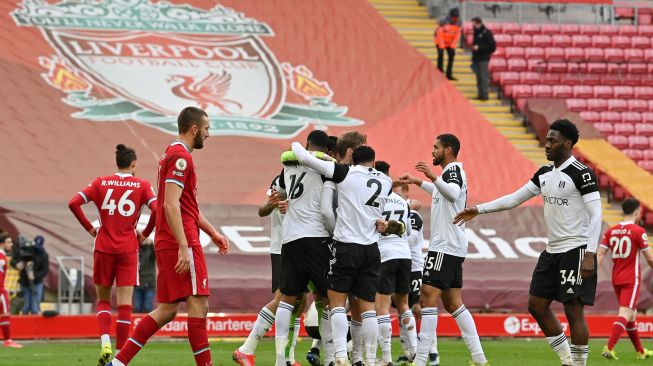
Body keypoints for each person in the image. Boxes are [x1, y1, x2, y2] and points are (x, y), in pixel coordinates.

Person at [454, 119, 602, 366]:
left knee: (573, 310)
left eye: (553, 140)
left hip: (575, 249)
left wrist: (590, 253)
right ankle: (567, 359)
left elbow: (596, 213)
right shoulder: (544, 173)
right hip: (552, 250)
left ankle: (578, 364)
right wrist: (479, 209)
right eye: (547, 139)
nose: (547, 144)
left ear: (568, 143)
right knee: (536, 305)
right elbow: (514, 198)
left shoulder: (582, 174)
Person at [106, 106, 230, 366]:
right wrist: (184, 246)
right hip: (180, 241)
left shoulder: (172, 155)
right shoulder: (180, 157)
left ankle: (118, 363)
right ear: (194, 128)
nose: (208, 134)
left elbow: (185, 207)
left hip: (170, 240)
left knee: (167, 310)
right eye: (207, 129)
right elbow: (170, 205)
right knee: (199, 306)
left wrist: (213, 233)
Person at [292, 143, 395, 366]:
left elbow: (305, 158)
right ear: (374, 162)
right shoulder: (386, 181)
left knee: (336, 302)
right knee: (368, 307)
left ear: (353, 159)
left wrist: (297, 145)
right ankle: (369, 359)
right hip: (371, 249)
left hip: (346, 245)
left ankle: (340, 356)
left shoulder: (345, 172)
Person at [399, 134, 488, 366]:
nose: (432, 151)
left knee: (427, 299)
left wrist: (430, 175)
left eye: (436, 147)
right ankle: (479, 358)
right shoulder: (450, 174)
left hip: (444, 247)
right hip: (453, 246)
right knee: (453, 303)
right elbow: (443, 193)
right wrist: (420, 182)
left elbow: (452, 194)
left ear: (448, 150)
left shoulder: (452, 172)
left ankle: (420, 361)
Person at [68, 144, 157, 366]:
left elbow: (73, 203)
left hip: (103, 247)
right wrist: (145, 234)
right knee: (125, 305)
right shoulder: (142, 185)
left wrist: (90, 228)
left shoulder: (100, 182)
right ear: (134, 163)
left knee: (104, 300)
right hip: (128, 248)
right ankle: (119, 358)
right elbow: (157, 209)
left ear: (117, 163)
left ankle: (105, 341)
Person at [273, 130, 333, 366]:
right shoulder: (325, 167)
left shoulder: (288, 166)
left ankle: (280, 359)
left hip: (290, 239)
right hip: (316, 237)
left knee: (287, 298)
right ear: (327, 149)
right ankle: (329, 358)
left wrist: (279, 200)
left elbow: (277, 191)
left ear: (308, 144)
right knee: (327, 298)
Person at [234, 175, 303, 366]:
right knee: (283, 298)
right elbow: (262, 209)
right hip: (282, 247)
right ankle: (246, 349)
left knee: (300, 301)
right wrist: (273, 203)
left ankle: (289, 358)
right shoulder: (280, 180)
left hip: (301, 246)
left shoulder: (310, 175)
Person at [598, 198, 653, 360]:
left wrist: (592, 272)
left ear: (623, 211)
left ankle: (640, 352)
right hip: (631, 278)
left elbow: (600, 254)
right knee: (625, 312)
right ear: (637, 212)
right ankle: (609, 347)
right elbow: (649, 259)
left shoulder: (611, 231)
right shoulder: (638, 231)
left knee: (631, 315)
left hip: (616, 277)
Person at [373, 161, 417, 366]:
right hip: (404, 255)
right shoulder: (401, 201)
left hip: (385, 254)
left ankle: (387, 358)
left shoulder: (374, 199)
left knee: (381, 308)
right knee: (404, 305)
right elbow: (407, 232)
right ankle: (415, 352)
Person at [11, 236, 49, 316]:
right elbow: (13, 260)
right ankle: (24, 325)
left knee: (35, 306)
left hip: (37, 282)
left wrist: (35, 276)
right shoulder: (25, 250)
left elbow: (45, 270)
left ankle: (35, 325)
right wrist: (17, 264)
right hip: (24, 282)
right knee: (26, 306)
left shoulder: (44, 254)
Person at [0, 233, 21, 348]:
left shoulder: (3, 256)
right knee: (5, 314)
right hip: (0, 289)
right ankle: (8, 340)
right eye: (8, 242)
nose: (11, 245)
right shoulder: (1, 257)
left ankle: (8, 340)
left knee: (4, 314)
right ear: (2, 243)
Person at [470, 17, 495, 101]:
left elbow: (492, 46)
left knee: (483, 77)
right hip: (476, 58)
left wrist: (479, 48)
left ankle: (485, 95)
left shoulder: (486, 33)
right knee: (478, 77)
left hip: (484, 58)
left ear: (479, 23)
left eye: (474, 24)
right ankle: (480, 94)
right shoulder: (476, 32)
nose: (473, 26)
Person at [435, 8, 461, 81]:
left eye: (456, 18)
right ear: (450, 16)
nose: (455, 19)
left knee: (452, 55)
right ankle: (439, 73)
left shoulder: (459, 22)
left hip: (450, 42)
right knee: (440, 54)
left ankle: (448, 74)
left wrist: (453, 45)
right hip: (440, 41)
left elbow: (457, 35)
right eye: (454, 17)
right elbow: (439, 34)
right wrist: (441, 46)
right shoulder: (443, 21)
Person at [133, 239, 156, 314]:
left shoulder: (150, 251)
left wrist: (151, 244)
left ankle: (148, 325)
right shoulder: (135, 251)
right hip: (138, 284)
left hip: (149, 284)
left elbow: (154, 252)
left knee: (148, 307)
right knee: (137, 308)